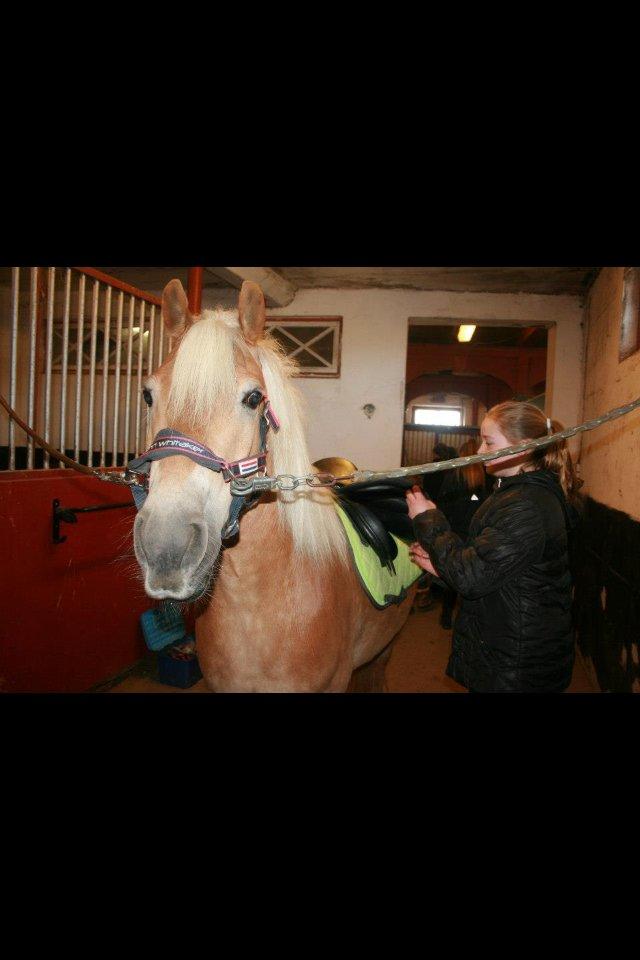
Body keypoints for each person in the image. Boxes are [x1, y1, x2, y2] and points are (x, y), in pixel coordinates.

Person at [406, 401, 582, 693]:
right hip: (507, 646)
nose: (479, 452)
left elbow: (473, 577)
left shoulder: (526, 505)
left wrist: (428, 519)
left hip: (517, 663)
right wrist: (443, 567)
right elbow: (493, 569)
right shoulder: (513, 493)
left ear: (522, 448)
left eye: (489, 443)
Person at [434, 438, 491, 629]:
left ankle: (446, 615)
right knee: (473, 576)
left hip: (455, 532)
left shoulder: (453, 478)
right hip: (477, 535)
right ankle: (468, 619)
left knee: (454, 575)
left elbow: (443, 506)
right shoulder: (487, 478)